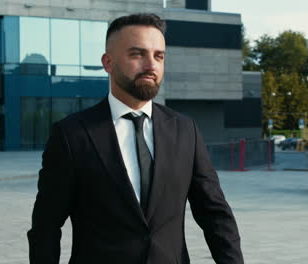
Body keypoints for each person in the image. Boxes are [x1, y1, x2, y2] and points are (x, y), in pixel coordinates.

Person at [27, 13, 244, 264]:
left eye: (158, 56)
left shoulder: (186, 131)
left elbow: (215, 216)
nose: (151, 65)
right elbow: (46, 228)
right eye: (137, 54)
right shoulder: (71, 135)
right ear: (108, 63)